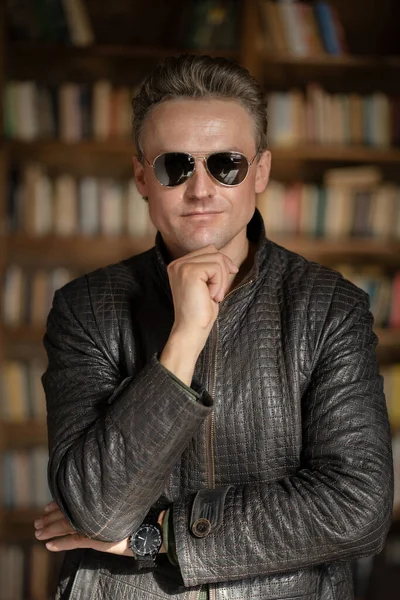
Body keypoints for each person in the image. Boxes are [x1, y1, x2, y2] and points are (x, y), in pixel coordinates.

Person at [34, 54, 393, 600]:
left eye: (226, 164)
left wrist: (158, 537)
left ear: (262, 172)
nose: (201, 189)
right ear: (141, 178)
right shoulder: (84, 308)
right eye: (174, 166)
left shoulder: (331, 307)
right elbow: (98, 511)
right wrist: (184, 339)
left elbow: (358, 506)